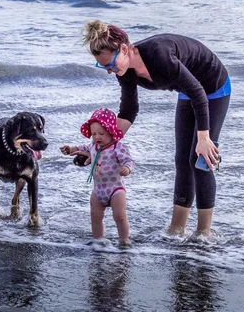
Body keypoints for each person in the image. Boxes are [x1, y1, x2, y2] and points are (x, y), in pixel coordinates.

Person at [82, 20, 231, 238]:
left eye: (110, 65)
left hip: (213, 86)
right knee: (182, 159)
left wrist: (204, 138)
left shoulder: (159, 55)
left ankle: (204, 233)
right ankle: (177, 228)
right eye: (104, 67)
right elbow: (128, 111)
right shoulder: (124, 71)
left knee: (200, 159)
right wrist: (101, 145)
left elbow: (199, 92)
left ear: (124, 49)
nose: (109, 71)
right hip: (189, 91)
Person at [60, 108, 135, 247]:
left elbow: (129, 161)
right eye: (93, 134)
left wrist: (127, 168)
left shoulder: (117, 147)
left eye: (101, 133)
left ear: (111, 130)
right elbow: (81, 147)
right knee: (95, 216)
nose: (97, 137)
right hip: (98, 190)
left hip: (115, 189)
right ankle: (98, 241)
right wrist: (70, 148)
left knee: (119, 216)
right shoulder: (93, 145)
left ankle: (124, 241)